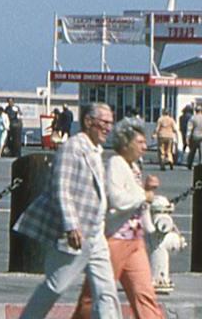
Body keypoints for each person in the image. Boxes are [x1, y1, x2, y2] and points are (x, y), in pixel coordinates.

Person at [14, 100, 122, 319]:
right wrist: (71, 226)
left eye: (111, 122)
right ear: (88, 121)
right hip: (77, 234)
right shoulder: (73, 147)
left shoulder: (95, 150)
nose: (108, 128)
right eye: (104, 122)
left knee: (106, 290)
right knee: (56, 285)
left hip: (95, 234)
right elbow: (61, 188)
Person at [68, 117, 164, 319]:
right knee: (94, 296)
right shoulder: (115, 164)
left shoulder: (133, 167)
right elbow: (117, 199)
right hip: (114, 240)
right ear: (125, 143)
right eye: (139, 142)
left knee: (144, 295)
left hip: (135, 240)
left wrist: (146, 193)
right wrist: (143, 195)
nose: (144, 147)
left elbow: (136, 203)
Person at [187, 104, 202, 168]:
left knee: (192, 151)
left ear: (195, 111)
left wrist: (187, 138)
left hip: (195, 136)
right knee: (201, 151)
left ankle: (189, 163)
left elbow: (189, 129)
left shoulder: (193, 118)